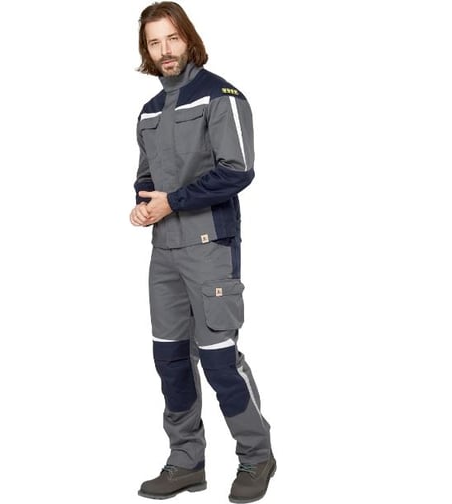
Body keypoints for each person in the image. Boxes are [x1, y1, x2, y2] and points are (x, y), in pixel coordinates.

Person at [129, 2, 275, 502]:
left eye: (172, 38)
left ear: (188, 39)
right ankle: (186, 461)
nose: (164, 50)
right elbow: (146, 175)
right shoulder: (149, 110)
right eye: (154, 42)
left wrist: (172, 201)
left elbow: (238, 170)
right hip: (164, 253)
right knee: (170, 360)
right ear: (146, 50)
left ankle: (256, 456)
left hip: (210, 249)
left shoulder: (221, 96)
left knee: (219, 361)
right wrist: (143, 205)